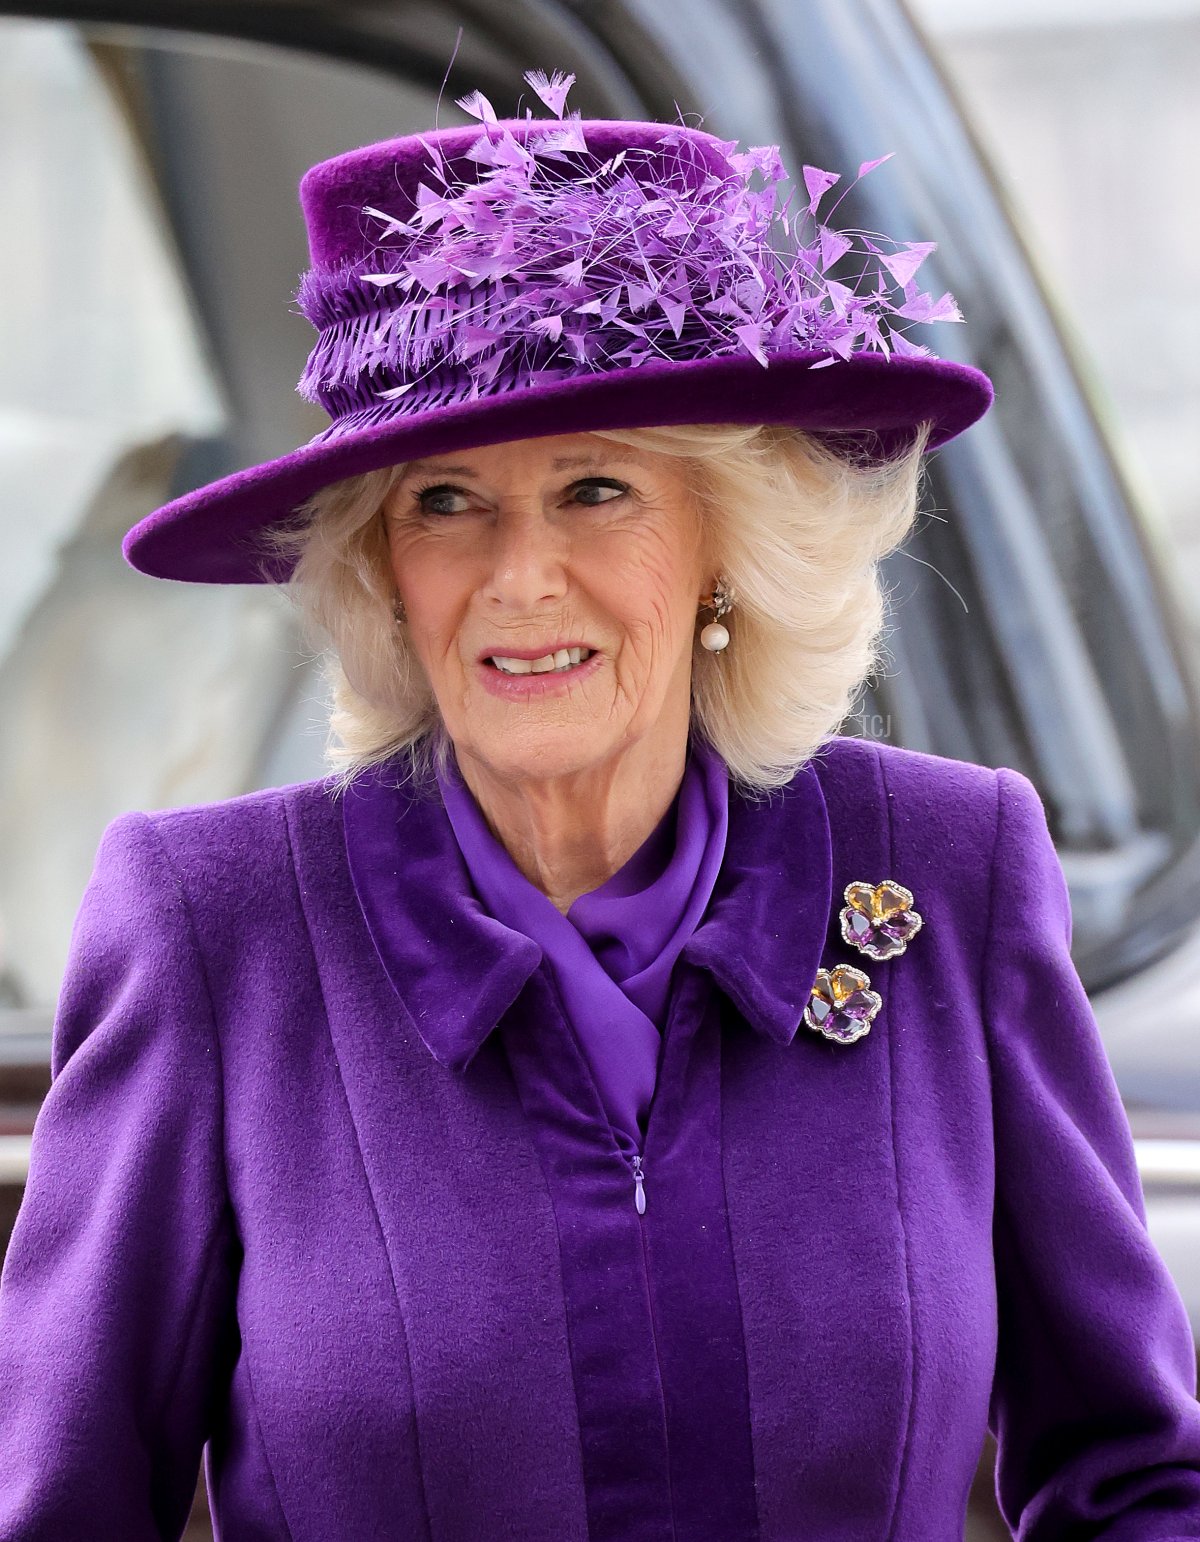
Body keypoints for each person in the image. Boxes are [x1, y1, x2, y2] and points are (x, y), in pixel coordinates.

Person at [1, 67, 1198, 1542]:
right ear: (382, 564)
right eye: (446, 499)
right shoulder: (217, 931)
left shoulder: (948, 873)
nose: (519, 576)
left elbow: (1142, 1480)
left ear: (724, 537)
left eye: (595, 489)